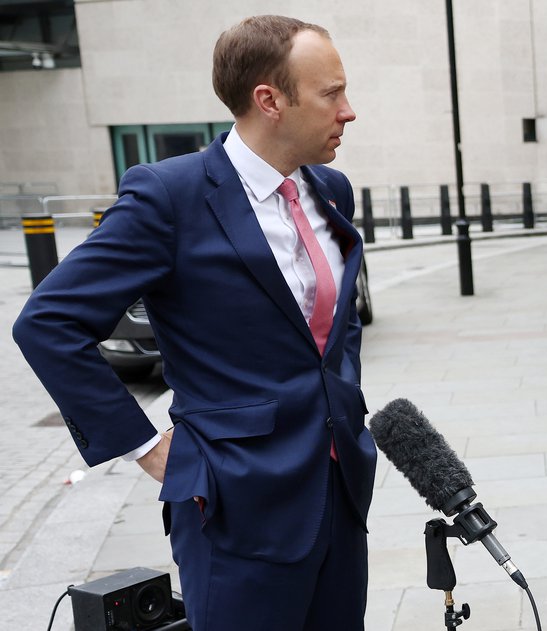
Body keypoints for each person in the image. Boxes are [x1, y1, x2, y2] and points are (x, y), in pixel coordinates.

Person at [13, 15, 375, 630]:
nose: (349, 111)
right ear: (270, 100)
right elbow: (47, 323)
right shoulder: (169, 196)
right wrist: (147, 448)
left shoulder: (330, 189)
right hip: (233, 507)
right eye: (331, 93)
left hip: (340, 492)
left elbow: (334, 331)